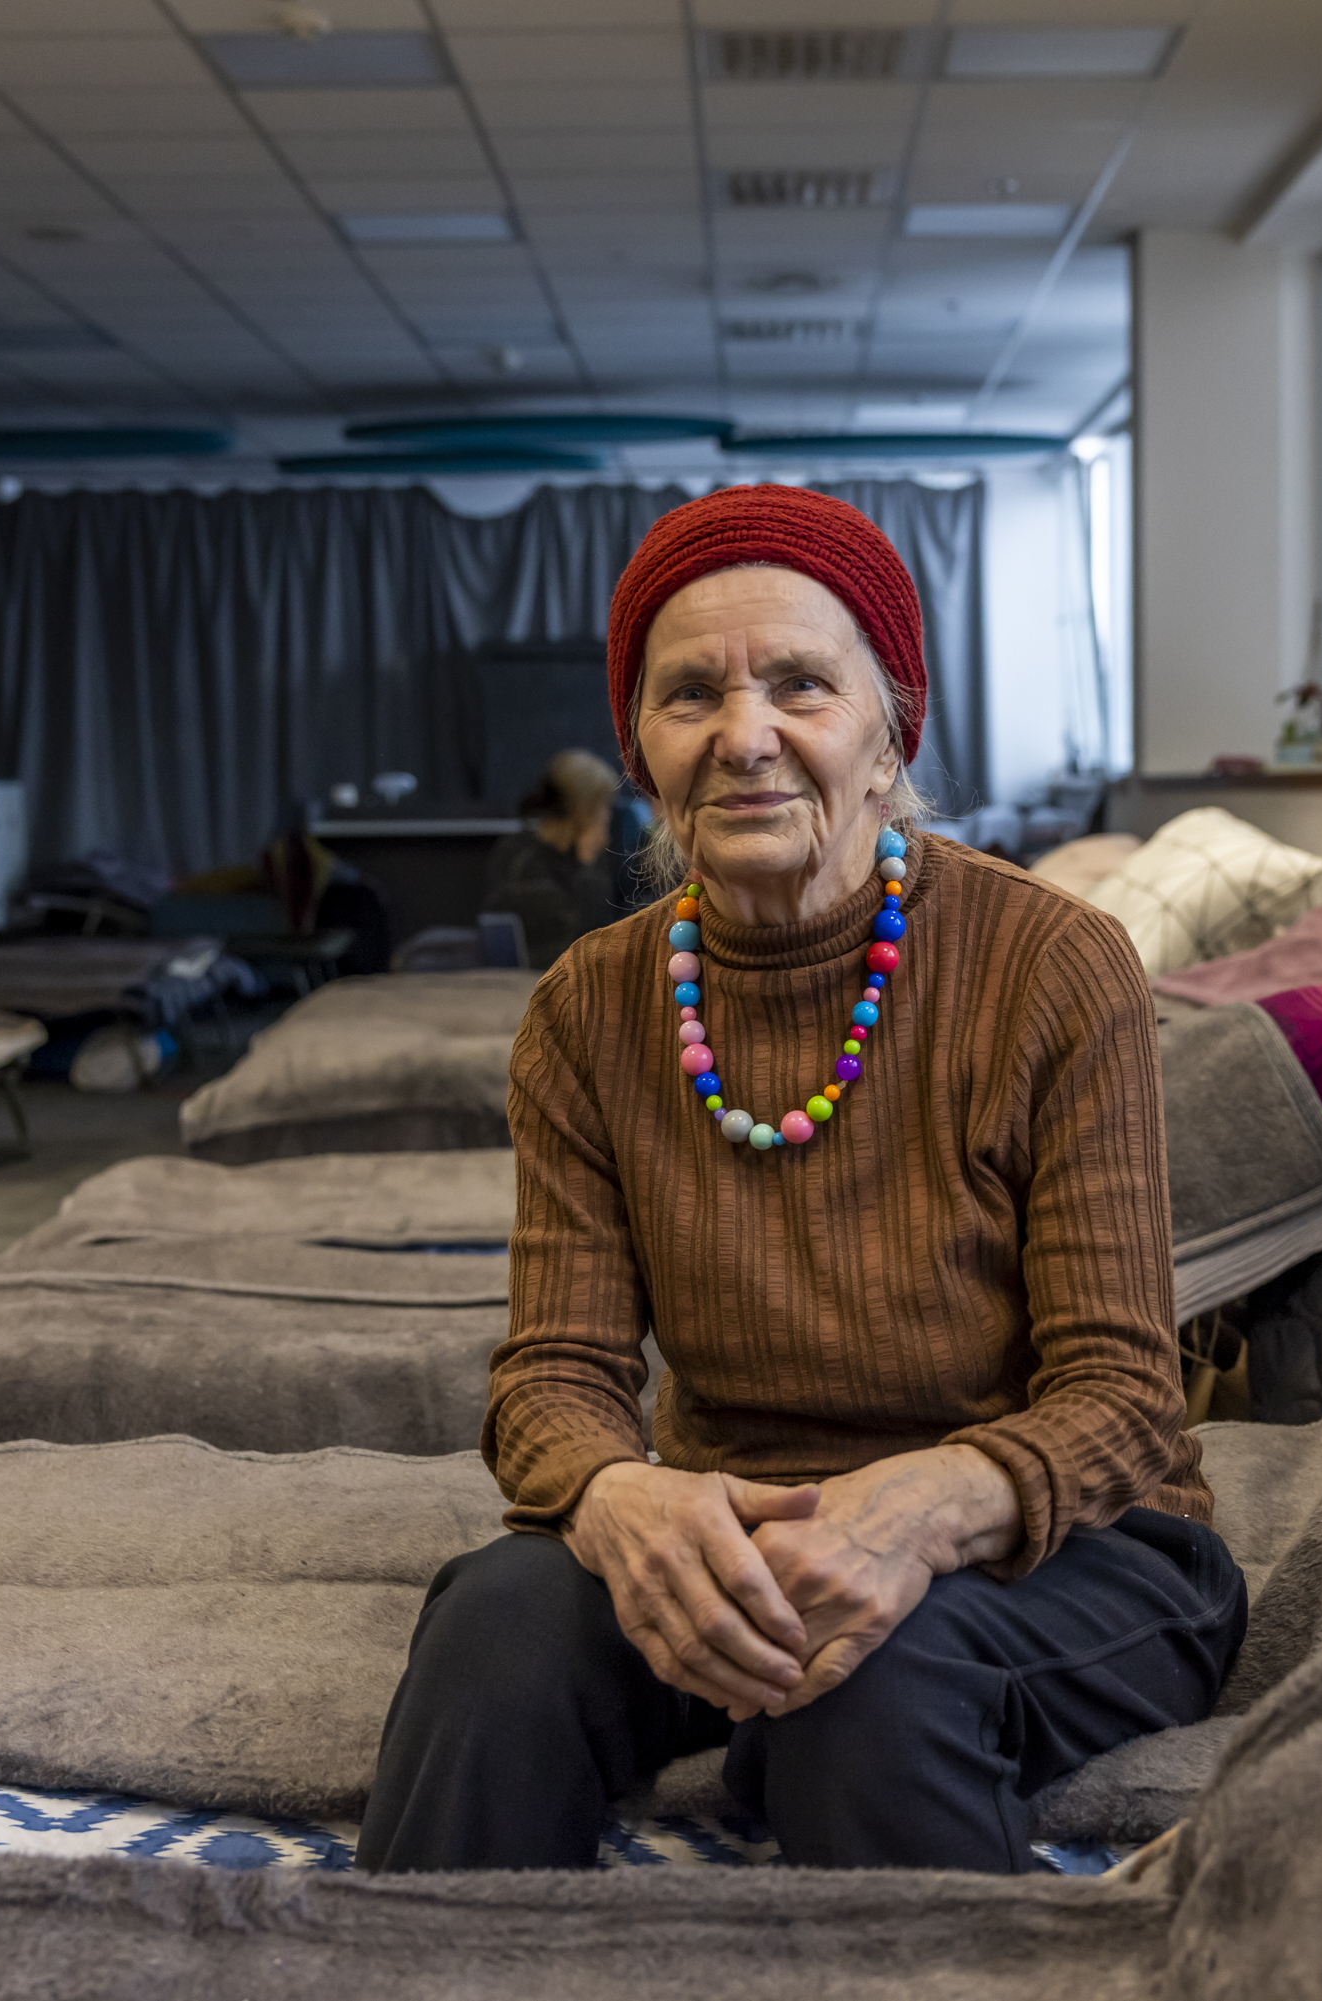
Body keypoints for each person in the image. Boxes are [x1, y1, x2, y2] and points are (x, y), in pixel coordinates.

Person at [360, 486, 1243, 1874]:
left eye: (800, 685)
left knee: (870, 1688)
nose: (745, 735)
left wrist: (917, 1510)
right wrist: (614, 1494)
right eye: (691, 693)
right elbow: (552, 1378)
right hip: (743, 1537)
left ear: (891, 733)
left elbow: (1123, 1402)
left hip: (1056, 1543)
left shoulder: (1053, 968)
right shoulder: (590, 1008)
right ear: (640, 754)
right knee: (496, 1628)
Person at [481, 749, 621, 966]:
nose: (607, 815)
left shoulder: (573, 853)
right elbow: (570, 939)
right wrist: (588, 865)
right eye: (602, 806)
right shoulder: (523, 857)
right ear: (582, 809)